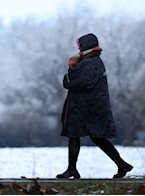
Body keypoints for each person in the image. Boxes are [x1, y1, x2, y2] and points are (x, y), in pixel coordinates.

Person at [57, 33, 133, 179]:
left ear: (85, 47)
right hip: (91, 107)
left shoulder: (89, 63)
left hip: (86, 108)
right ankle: (121, 164)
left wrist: (72, 67)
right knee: (93, 137)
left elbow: (70, 83)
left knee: (80, 136)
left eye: (79, 47)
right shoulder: (95, 62)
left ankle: (120, 164)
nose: (78, 50)